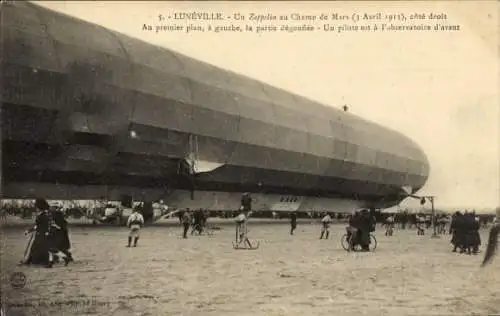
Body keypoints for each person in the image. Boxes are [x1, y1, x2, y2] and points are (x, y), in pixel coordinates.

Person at [23, 198, 54, 268]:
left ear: (40, 208)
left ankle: (48, 263)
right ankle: (29, 261)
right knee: (34, 247)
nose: (36, 208)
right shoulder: (41, 214)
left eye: (37, 207)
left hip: (43, 234)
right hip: (40, 234)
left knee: (44, 249)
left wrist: (47, 232)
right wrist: (29, 231)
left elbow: (43, 225)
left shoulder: (43, 215)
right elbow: (37, 226)